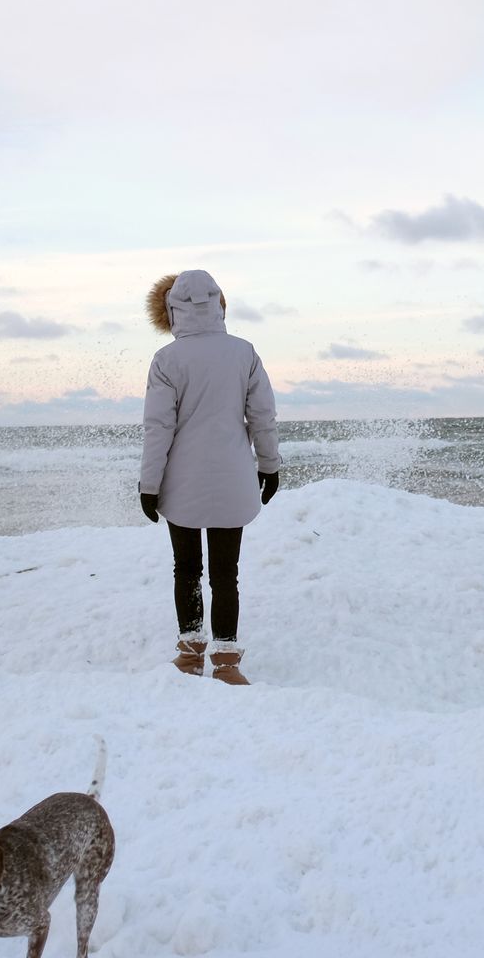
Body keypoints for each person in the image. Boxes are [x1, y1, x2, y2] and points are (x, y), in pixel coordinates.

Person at [137, 269, 281, 685]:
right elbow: (262, 418)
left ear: (171, 309)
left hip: (180, 483)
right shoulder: (244, 352)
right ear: (219, 304)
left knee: (186, 569)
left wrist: (149, 485)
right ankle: (226, 663)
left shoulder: (166, 360)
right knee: (225, 574)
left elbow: (158, 428)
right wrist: (269, 465)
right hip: (233, 479)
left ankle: (189, 655)